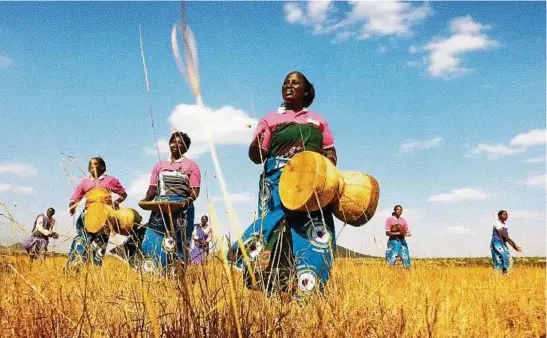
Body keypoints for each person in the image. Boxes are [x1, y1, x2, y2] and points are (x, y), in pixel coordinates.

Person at [228, 71, 338, 298]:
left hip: (312, 183)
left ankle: (308, 291)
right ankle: (270, 285)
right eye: (285, 82)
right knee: (274, 228)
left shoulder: (319, 121)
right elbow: (257, 157)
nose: (288, 86)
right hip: (278, 180)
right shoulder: (269, 119)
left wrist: (327, 167)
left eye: (295, 83)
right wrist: (256, 144)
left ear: (306, 91)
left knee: (313, 230)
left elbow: (330, 152)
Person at [138, 131, 201, 274]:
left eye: (180, 143)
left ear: (186, 148)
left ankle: (175, 277)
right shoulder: (159, 165)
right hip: (160, 207)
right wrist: (146, 201)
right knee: (153, 238)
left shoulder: (191, 166)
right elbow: (152, 190)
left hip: (182, 208)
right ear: (169, 144)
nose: (176, 145)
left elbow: (195, 191)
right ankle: (152, 274)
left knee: (178, 243)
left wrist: (187, 201)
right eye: (173, 141)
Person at [66, 157, 127, 270]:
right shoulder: (84, 182)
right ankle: (75, 267)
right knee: (82, 240)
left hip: (105, 218)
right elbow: (76, 196)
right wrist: (72, 205)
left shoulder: (111, 180)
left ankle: (94, 271)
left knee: (99, 245)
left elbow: (123, 194)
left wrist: (116, 202)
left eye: (95, 164)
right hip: (88, 215)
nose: (92, 166)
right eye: (90, 164)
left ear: (103, 167)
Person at [385, 205, 412, 269]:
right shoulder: (390, 220)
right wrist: (399, 233)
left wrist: (407, 234)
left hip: (402, 241)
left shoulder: (403, 221)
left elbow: (406, 231)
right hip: (393, 241)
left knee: (405, 257)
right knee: (391, 257)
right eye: (398, 209)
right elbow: (387, 233)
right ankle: (389, 273)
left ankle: (407, 273)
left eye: (401, 210)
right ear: (394, 210)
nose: (399, 211)